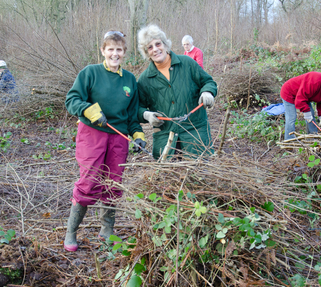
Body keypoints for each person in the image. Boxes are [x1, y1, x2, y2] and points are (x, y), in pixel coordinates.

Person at [63, 30, 146, 251]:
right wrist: (88, 110)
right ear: (103, 50)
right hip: (92, 134)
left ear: (124, 52)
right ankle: (71, 232)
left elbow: (132, 114)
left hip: (118, 138)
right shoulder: (90, 73)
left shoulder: (129, 80)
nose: (114, 54)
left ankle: (106, 229)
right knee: (89, 182)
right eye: (110, 49)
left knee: (113, 182)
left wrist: (137, 135)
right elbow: (71, 100)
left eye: (119, 50)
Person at [137, 24, 217, 160]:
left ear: (165, 44)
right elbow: (137, 107)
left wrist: (207, 92)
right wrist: (146, 114)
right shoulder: (145, 79)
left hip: (195, 134)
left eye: (158, 44)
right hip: (166, 139)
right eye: (150, 47)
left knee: (200, 176)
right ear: (146, 52)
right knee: (169, 179)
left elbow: (208, 82)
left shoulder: (187, 63)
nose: (155, 49)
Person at [280, 71, 321, 140]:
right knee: (291, 118)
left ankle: (312, 137)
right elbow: (300, 99)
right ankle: (289, 140)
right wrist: (306, 113)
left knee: (311, 115)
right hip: (289, 92)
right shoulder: (315, 81)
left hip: (304, 95)